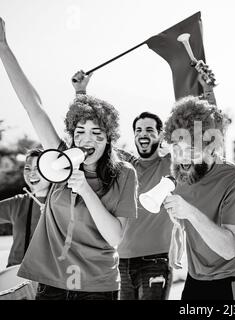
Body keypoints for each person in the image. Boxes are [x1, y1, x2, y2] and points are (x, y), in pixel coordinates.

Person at [0, 18, 138, 300]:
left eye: (96, 132)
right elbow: (33, 106)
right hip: (50, 285)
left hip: (97, 289)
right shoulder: (59, 158)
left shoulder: (124, 174)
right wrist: (3, 46)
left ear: (109, 137)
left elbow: (116, 238)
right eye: (80, 132)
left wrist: (85, 190)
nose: (87, 140)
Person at [71, 71, 173, 300]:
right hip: (120, 261)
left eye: (149, 130)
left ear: (160, 135)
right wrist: (81, 92)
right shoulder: (125, 165)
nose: (142, 135)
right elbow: (92, 138)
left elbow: (195, 145)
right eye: (138, 130)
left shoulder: (170, 164)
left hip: (155, 262)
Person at [162, 96, 235, 300]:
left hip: (231, 280)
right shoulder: (182, 173)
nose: (183, 157)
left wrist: (190, 213)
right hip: (195, 279)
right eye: (177, 149)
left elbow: (229, 249)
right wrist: (177, 234)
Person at [0, 148, 50, 268]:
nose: (31, 173)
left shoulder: (63, 202)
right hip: (15, 274)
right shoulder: (18, 202)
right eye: (27, 168)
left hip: (48, 277)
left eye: (38, 169)